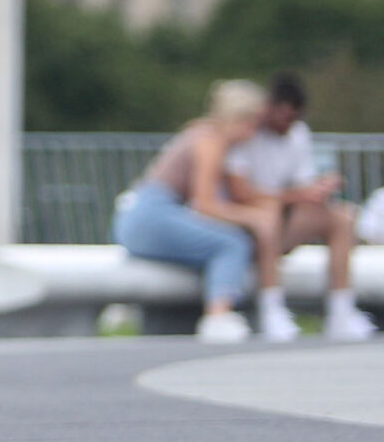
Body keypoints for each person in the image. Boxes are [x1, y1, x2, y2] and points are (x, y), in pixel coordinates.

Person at [113, 80, 274, 342]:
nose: (254, 132)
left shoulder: (200, 133)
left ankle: (127, 309)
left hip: (138, 217)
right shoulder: (210, 141)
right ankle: (218, 316)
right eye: (252, 122)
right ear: (237, 118)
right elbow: (205, 205)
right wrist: (253, 218)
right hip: (152, 215)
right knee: (231, 243)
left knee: (215, 240)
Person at [227, 72, 376, 343]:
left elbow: (301, 186)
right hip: (246, 225)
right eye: (284, 117)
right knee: (267, 215)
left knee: (342, 217)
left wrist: (320, 189)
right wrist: (295, 196)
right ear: (269, 107)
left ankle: (341, 311)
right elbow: (240, 192)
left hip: (282, 219)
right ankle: (271, 310)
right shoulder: (246, 131)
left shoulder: (298, 134)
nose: (288, 124)